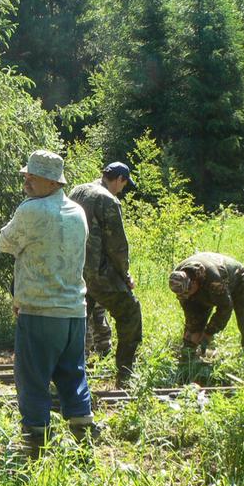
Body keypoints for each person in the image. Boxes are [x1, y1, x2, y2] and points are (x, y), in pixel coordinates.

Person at [0, 150, 97, 454]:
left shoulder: (33, 211)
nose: (26, 180)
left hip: (40, 311)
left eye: (33, 176)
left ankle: (35, 447)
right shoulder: (77, 211)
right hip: (74, 312)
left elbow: (5, 242)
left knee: (32, 378)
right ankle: (83, 444)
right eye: (26, 174)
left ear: (52, 182)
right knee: (73, 375)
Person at [69, 162, 143, 387]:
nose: (122, 189)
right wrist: (125, 274)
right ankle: (125, 375)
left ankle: (72, 377)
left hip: (74, 270)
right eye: (124, 184)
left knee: (78, 322)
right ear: (119, 178)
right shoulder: (108, 200)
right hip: (99, 274)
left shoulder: (77, 191)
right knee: (130, 312)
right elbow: (117, 245)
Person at [168, 252, 244, 350]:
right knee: (194, 322)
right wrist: (192, 330)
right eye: (183, 294)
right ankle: (190, 351)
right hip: (206, 285)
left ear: (194, 282)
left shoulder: (214, 280)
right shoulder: (177, 278)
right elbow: (190, 311)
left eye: (188, 292)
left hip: (237, 278)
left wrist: (209, 332)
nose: (187, 296)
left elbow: (225, 307)